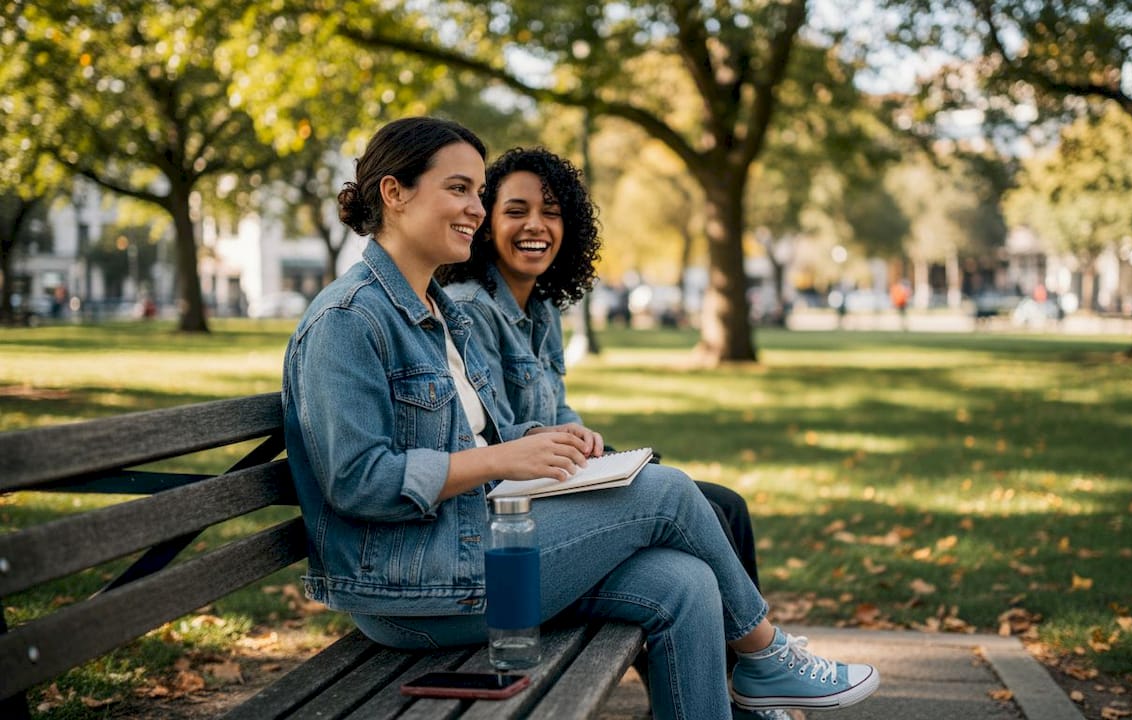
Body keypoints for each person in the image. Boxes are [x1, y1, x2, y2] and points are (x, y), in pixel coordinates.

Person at [282, 117, 878, 720]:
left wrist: (540, 441)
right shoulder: (349, 320)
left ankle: (751, 681)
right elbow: (357, 481)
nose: (476, 210)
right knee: (667, 494)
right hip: (409, 587)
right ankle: (768, 654)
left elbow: (477, 438)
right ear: (394, 193)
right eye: (459, 189)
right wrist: (499, 458)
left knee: (686, 583)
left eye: (478, 194)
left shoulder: (437, 314)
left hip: (472, 545)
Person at [437, 146, 761, 590]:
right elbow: (493, 435)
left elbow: (560, 411)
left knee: (729, 506)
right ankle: (749, 650)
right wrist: (565, 448)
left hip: (560, 478)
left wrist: (592, 445)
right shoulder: (472, 307)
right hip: (515, 504)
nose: (535, 224)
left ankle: (742, 659)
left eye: (551, 212)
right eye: (516, 211)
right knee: (704, 517)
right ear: (487, 225)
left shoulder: (542, 306)